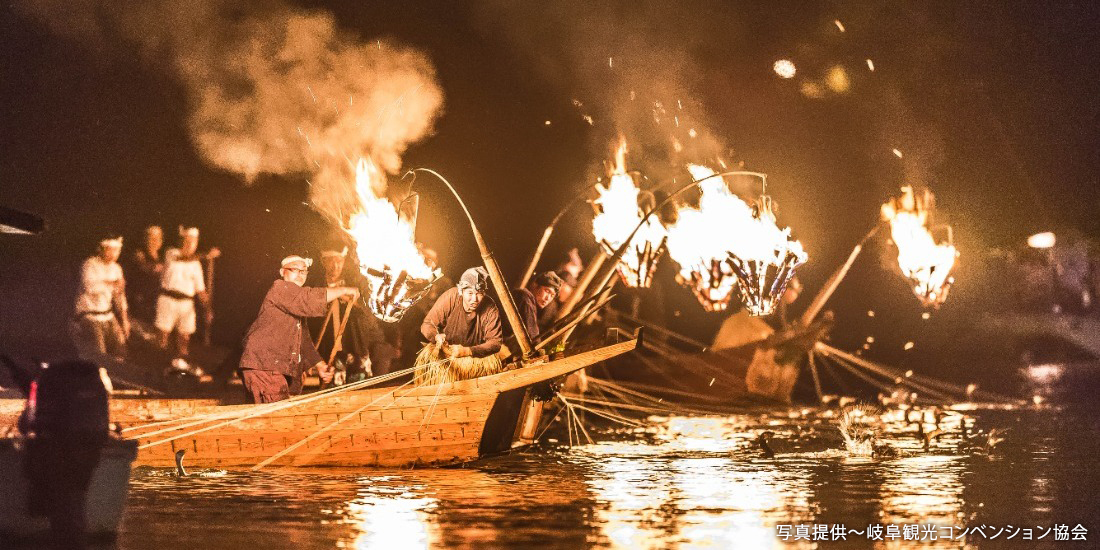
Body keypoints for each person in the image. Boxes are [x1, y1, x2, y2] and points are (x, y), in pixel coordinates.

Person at [239, 255, 359, 403]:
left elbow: (303, 341)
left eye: (303, 272)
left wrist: (320, 365)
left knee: (279, 414)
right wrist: (344, 290)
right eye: (295, 269)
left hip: (271, 368)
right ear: (282, 272)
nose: (300, 275)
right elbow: (307, 299)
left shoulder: (294, 303)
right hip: (264, 365)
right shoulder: (279, 288)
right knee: (278, 416)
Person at [314, 246, 388, 382]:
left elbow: (368, 310)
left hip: (356, 348)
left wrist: (350, 299)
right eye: (331, 261)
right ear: (323, 261)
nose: (335, 266)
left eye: (339, 261)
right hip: (330, 351)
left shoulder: (354, 283)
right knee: (332, 395)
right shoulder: (317, 286)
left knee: (359, 392)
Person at [155, 226, 218, 361]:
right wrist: (207, 255)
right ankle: (158, 361)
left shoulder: (196, 265)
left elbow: (200, 290)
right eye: (187, 241)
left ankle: (181, 364)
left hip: (186, 303)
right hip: (167, 299)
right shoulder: (171, 253)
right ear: (182, 241)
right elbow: (183, 257)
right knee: (163, 335)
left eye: (193, 241)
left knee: (184, 337)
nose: (190, 244)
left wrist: (207, 308)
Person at [420, 267, 502, 358]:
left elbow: (495, 343)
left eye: (479, 293)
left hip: (474, 357)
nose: (474, 299)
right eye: (470, 293)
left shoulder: (490, 307)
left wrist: (467, 351)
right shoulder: (451, 297)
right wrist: (436, 337)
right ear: (461, 291)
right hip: (447, 355)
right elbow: (427, 325)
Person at [71, 235, 130, 361]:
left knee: (121, 347)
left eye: (117, 250)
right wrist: (112, 283)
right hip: (90, 316)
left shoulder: (116, 268)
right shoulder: (90, 264)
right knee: (99, 354)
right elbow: (91, 288)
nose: (114, 254)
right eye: (111, 249)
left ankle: (118, 373)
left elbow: (119, 296)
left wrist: (124, 320)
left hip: (107, 315)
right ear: (102, 249)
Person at [507, 270, 563, 343]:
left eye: (552, 296)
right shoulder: (524, 297)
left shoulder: (528, 300)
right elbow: (533, 336)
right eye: (547, 291)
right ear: (536, 286)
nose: (548, 298)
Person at [128, 225, 164, 326]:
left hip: (156, 303)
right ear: (145, 240)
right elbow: (146, 268)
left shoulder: (161, 258)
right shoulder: (139, 255)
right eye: (152, 238)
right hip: (141, 302)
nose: (155, 241)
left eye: (158, 238)